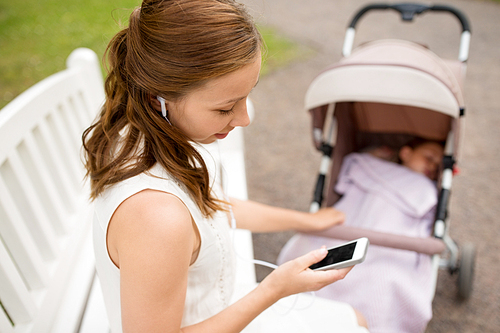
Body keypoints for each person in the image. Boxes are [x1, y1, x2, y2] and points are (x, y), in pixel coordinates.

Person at [82, 1, 369, 332]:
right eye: (225, 108)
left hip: (220, 308)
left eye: (247, 96)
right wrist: (274, 289)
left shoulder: (156, 135)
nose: (244, 119)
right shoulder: (155, 217)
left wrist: (305, 221)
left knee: (355, 320)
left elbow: (211, 209)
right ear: (155, 99)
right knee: (354, 323)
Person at [278, 138, 444, 333]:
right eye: (429, 158)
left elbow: (426, 223)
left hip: (393, 242)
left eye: (438, 166)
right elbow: (351, 166)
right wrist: (374, 154)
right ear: (406, 153)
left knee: (384, 279)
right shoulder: (371, 167)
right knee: (313, 251)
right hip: (350, 226)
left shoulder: (427, 190)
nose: (432, 166)